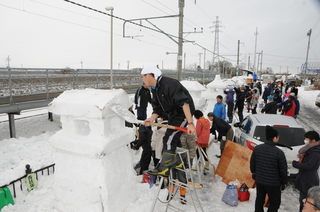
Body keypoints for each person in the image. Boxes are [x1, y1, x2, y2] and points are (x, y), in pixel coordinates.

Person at [141, 66, 195, 177]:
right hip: (173, 115)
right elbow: (158, 109)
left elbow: (184, 103)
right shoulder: (155, 90)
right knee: (174, 138)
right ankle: (180, 161)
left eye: (143, 76)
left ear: (149, 75)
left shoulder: (169, 84)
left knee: (169, 138)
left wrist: (190, 123)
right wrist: (151, 119)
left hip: (183, 113)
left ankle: (164, 167)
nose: (142, 79)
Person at [250, 125, 288, 212]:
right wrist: (284, 182)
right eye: (277, 137)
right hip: (273, 184)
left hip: (260, 181)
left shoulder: (257, 148)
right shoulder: (279, 152)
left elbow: (253, 163)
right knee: (275, 203)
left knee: (259, 200)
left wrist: (254, 173)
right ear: (274, 138)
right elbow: (283, 170)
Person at [292, 131, 320, 212]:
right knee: (302, 200)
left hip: (308, 180)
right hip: (304, 178)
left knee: (305, 201)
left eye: (307, 138)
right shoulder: (310, 148)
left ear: (313, 140)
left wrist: (295, 164)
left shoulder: (316, 152)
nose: (305, 140)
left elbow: (308, 166)